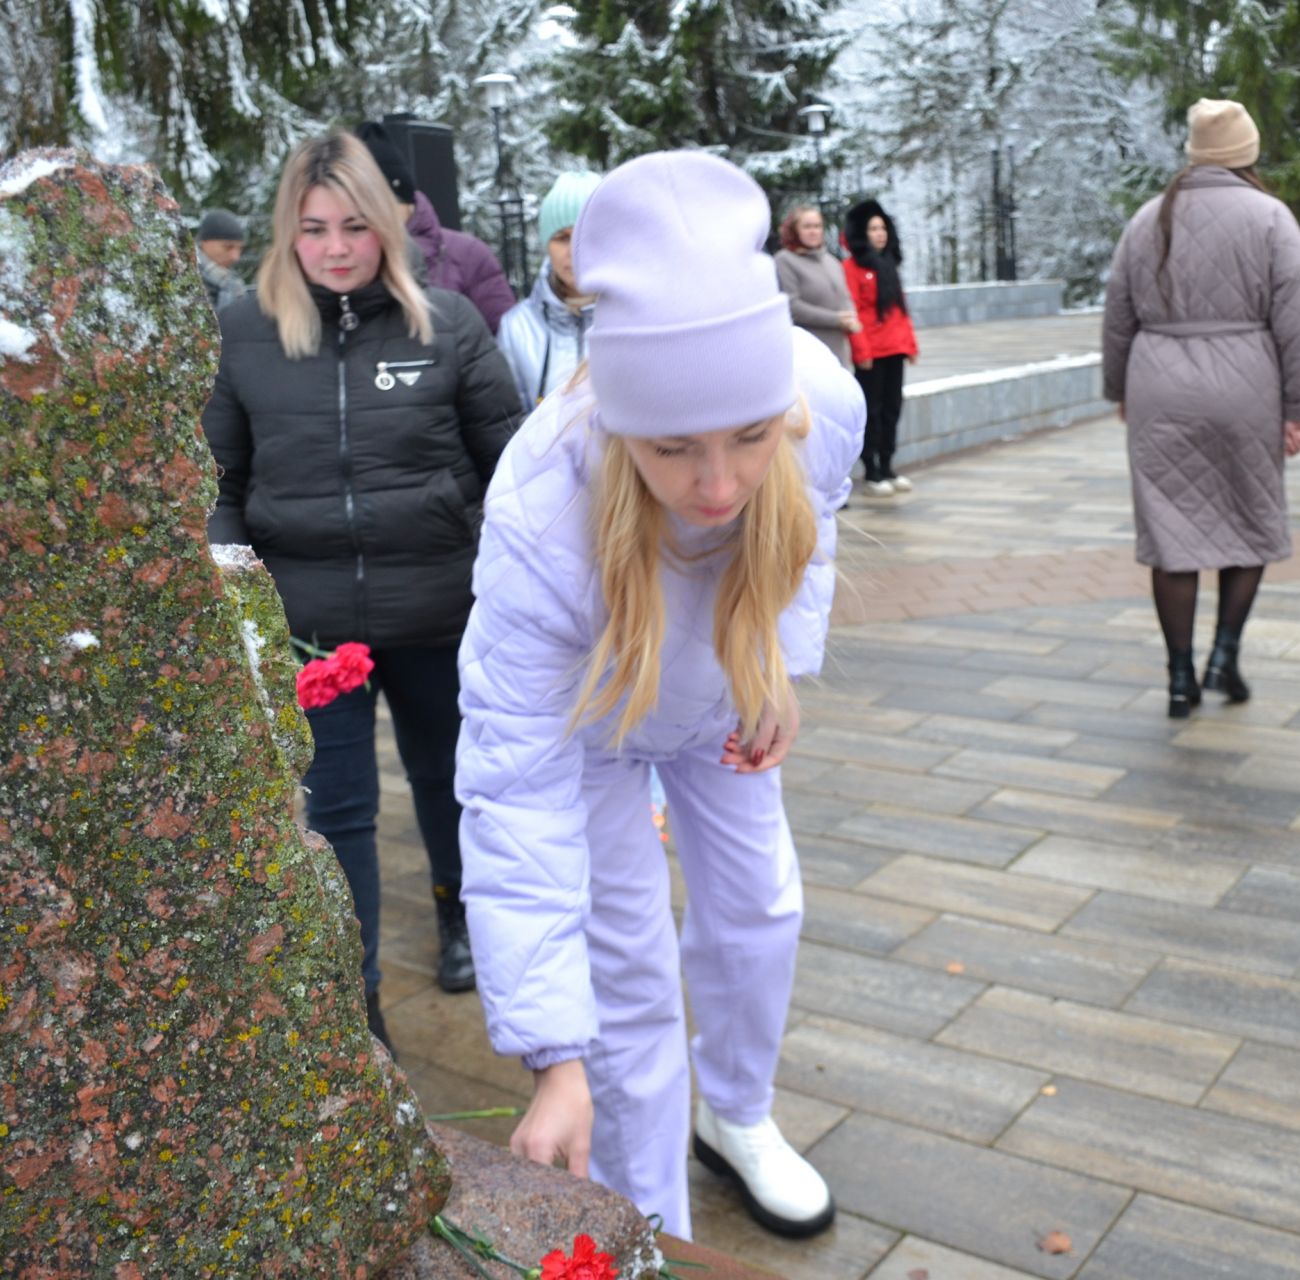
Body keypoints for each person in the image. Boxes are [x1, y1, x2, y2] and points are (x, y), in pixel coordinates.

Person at [454, 151, 862, 1242]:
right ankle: (653, 1231)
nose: (719, 484)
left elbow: (809, 539)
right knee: (625, 979)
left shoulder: (818, 403)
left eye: (746, 435)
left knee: (761, 903)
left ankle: (737, 1111)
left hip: (723, 697)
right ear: (622, 421)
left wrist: (781, 666)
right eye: (674, 447)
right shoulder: (545, 507)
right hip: (595, 730)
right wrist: (553, 1054)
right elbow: (512, 783)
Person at [201, 131, 524, 1049]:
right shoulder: (243, 330)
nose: (335, 248)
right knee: (335, 812)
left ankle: (462, 917)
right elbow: (218, 481)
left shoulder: (448, 323)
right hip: (312, 631)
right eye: (312, 228)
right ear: (285, 232)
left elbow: (516, 470)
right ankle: (359, 1000)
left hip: (439, 611)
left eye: (352, 225)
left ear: (384, 225)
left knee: (452, 784)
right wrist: (238, 587)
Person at [1101, 98, 1300, 719]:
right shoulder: (1271, 218)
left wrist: (1121, 388)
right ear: (1247, 152)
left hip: (1159, 386)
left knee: (1171, 536)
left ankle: (1179, 679)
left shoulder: (1148, 218)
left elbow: (1118, 313)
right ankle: (1224, 657)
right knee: (1249, 518)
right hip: (1245, 386)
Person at [356, 122, 519, 335]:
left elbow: (508, 341)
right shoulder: (344, 259)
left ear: (406, 198)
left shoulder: (468, 255)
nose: (376, 215)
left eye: (384, 201)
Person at [498, 170, 602, 413]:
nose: (575, 250)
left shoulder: (641, 318)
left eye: (588, 234)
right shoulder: (517, 328)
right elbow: (510, 421)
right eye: (562, 237)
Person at [842, 199, 919, 497]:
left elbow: (901, 311)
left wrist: (909, 345)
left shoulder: (888, 265)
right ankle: (871, 469)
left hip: (894, 348)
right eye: (873, 229)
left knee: (892, 409)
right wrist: (862, 351)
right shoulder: (851, 268)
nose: (879, 234)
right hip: (871, 353)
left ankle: (887, 465)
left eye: (883, 228)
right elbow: (854, 311)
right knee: (871, 411)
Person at [775, 204, 860, 370]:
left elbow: (845, 296)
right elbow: (792, 306)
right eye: (807, 226)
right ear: (794, 230)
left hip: (840, 351)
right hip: (810, 353)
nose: (813, 231)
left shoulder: (831, 261)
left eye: (817, 226)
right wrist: (836, 319)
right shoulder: (784, 261)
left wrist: (851, 317)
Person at [195, 208, 248, 313]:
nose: (235, 257)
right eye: (228, 247)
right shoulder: (182, 275)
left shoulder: (232, 283)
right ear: (205, 242)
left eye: (240, 249)